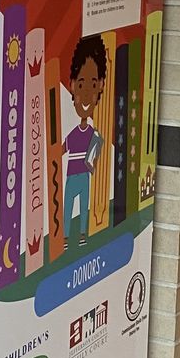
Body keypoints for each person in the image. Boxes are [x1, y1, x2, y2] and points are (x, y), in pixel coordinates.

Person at [62, 35, 108, 249]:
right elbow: (61, 150)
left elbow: (97, 150)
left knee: (82, 206)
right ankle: (65, 236)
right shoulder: (73, 132)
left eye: (93, 84)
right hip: (72, 173)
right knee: (69, 205)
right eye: (81, 84)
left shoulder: (93, 132)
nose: (87, 93)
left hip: (81, 174)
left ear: (100, 85)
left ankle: (81, 234)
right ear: (72, 85)